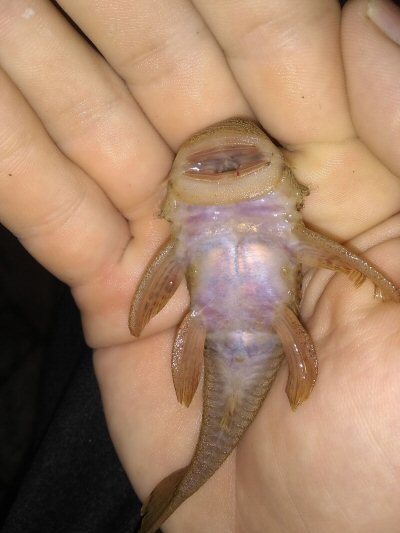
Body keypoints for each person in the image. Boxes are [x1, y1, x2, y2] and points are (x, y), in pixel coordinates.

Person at [0, 0, 400, 531]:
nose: (226, 163)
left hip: (257, 328)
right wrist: (375, 279)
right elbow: (153, 293)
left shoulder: (270, 230)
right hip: (219, 328)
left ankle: (187, 487)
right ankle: (185, 488)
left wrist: (373, 278)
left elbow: (147, 303)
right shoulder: (264, 228)